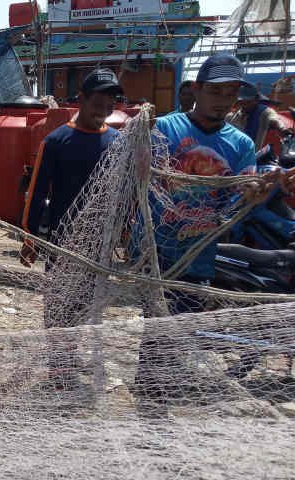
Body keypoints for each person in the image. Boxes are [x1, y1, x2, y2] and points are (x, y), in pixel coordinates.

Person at [135, 54, 295, 400]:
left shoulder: (240, 145)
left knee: (180, 333)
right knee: (157, 333)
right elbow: (140, 176)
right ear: (196, 89)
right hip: (159, 252)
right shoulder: (166, 128)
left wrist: (261, 189)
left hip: (199, 254)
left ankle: (160, 401)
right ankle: (148, 402)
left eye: (230, 94)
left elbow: (243, 193)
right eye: (215, 91)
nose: (223, 101)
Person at [23, 69, 122, 263]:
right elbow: (38, 191)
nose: (103, 110)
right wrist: (30, 235)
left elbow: (124, 188)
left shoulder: (118, 141)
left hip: (101, 239)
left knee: (94, 291)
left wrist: (125, 228)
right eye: (97, 103)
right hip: (63, 236)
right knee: (58, 290)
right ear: (82, 99)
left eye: (110, 104)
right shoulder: (56, 141)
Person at [227, 85, 293, 150]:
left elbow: (275, 119)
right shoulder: (234, 115)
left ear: (256, 99)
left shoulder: (264, 112)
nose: (245, 105)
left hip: (253, 155)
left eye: (248, 102)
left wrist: (283, 129)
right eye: (242, 102)